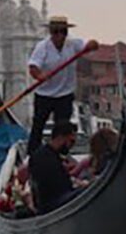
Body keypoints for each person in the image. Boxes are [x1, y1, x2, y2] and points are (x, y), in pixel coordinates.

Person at [27, 16, 99, 155]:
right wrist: (40, 76)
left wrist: (91, 44)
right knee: (38, 126)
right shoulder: (42, 47)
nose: (60, 35)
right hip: (44, 94)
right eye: (56, 32)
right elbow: (33, 67)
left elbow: (92, 45)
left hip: (65, 94)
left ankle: (61, 155)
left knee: (63, 128)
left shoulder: (73, 44)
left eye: (63, 32)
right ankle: (32, 155)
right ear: (50, 32)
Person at [28, 120, 82, 214]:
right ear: (61, 137)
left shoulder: (45, 155)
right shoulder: (45, 158)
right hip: (53, 204)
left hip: (48, 202)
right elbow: (57, 187)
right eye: (71, 141)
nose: (71, 147)